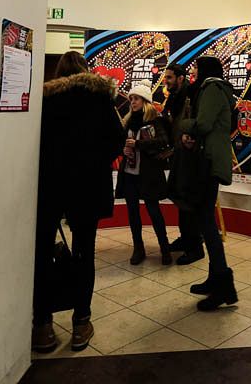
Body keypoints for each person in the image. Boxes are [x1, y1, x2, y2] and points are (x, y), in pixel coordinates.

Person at [32, 51, 125, 353]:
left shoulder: (45, 98)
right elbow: (117, 139)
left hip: (49, 186)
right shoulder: (99, 97)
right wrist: (93, 161)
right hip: (87, 186)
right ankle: (81, 324)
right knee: (84, 252)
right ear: (85, 70)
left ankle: (42, 326)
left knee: (42, 253)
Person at [180, 56, 238, 311]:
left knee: (207, 223)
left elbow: (203, 124)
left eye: (195, 68)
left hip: (210, 162)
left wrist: (182, 125)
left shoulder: (212, 88)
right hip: (211, 160)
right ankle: (216, 279)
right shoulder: (214, 88)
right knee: (206, 222)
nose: (193, 72)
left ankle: (223, 286)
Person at [117, 81, 172, 265]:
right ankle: (138, 248)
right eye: (131, 98)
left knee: (154, 211)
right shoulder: (127, 122)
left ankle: (165, 248)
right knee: (133, 213)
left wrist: (138, 144)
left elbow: (163, 141)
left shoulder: (155, 121)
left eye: (137, 99)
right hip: (130, 173)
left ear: (145, 101)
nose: (132, 102)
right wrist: (124, 149)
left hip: (149, 174)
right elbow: (120, 142)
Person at [160, 63, 205, 265]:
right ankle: (186, 238)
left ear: (180, 78)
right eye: (166, 77)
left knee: (188, 201)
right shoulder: (174, 97)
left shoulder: (191, 94)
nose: (166, 81)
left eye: (169, 77)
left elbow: (196, 123)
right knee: (180, 198)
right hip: (179, 153)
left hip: (190, 156)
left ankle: (195, 248)